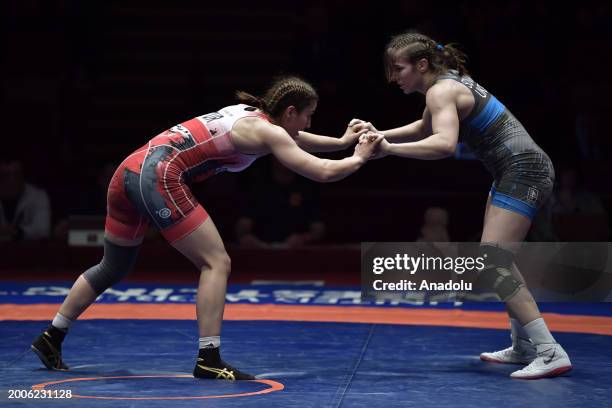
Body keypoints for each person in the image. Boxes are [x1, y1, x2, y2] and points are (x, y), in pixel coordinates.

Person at [31, 76, 382, 380]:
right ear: (290, 111)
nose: (308, 124)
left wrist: (341, 142)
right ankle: (209, 359)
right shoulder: (266, 130)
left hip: (128, 172)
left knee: (114, 265)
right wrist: (359, 158)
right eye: (308, 116)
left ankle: (52, 337)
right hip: (158, 177)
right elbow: (320, 171)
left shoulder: (252, 116)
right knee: (217, 262)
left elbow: (297, 140)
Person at [355, 31, 571, 379]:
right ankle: (524, 346)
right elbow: (424, 127)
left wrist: (387, 150)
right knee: (500, 261)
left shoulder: (442, 90)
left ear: (421, 64)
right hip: (514, 170)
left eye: (398, 69)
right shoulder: (447, 84)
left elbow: (443, 144)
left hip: (524, 170)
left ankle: (549, 351)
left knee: (494, 262)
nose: (393, 78)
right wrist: (381, 132)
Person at [0, 157, 51, 241]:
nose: (12, 180)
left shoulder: (38, 196)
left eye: (17, 175)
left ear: (23, 177)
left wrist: (18, 232)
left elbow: (44, 230)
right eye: (5, 175)